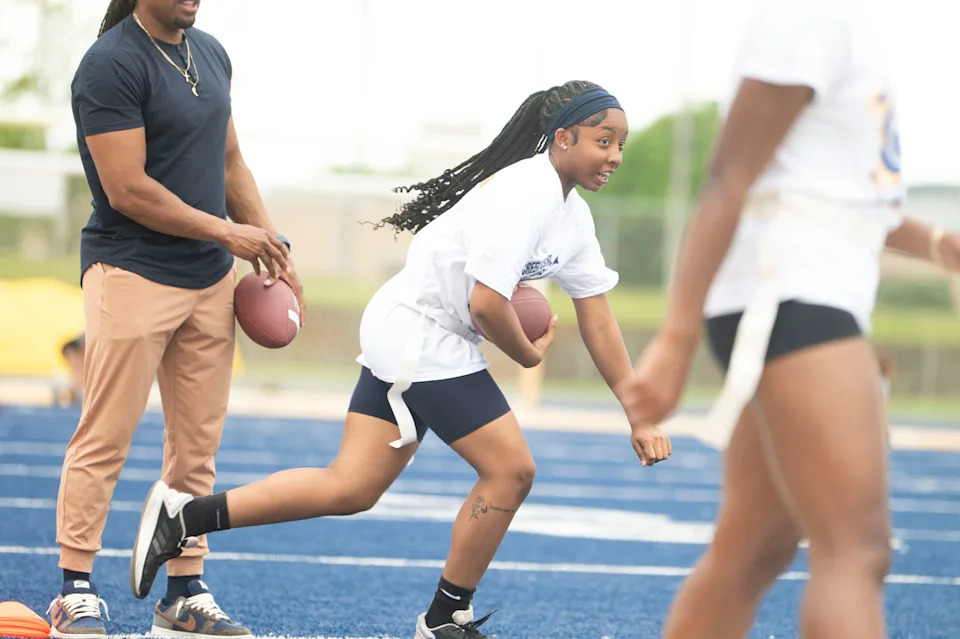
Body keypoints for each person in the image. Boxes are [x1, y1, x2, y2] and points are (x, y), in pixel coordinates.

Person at [127, 80, 672, 639]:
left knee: (351, 488)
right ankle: (444, 619)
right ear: (563, 137)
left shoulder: (571, 216)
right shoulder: (525, 194)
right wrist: (528, 355)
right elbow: (487, 305)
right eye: (604, 141)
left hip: (421, 332)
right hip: (422, 333)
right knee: (511, 470)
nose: (616, 158)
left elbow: (598, 318)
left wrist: (639, 411)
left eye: (621, 145)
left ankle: (184, 518)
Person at [616, 1, 960, 637]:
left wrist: (943, 246)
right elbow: (728, 177)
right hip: (789, 295)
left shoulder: (846, 26)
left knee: (753, 550)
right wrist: (675, 338)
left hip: (791, 296)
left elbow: (857, 206)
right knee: (857, 549)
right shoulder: (814, 16)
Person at [47, 1, 305, 638]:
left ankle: (184, 592)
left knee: (197, 447)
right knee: (106, 433)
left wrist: (270, 244)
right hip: (131, 271)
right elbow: (126, 188)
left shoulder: (210, 52)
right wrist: (229, 232)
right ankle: (74, 588)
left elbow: (229, 162)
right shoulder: (109, 64)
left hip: (209, 280)